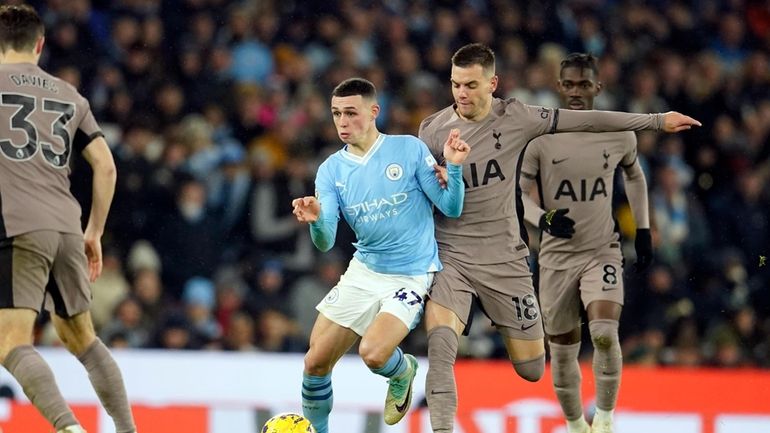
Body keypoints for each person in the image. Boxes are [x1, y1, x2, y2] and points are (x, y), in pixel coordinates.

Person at [418, 43, 699, 433]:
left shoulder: (517, 118)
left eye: (470, 85)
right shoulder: (431, 130)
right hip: (452, 257)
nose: (460, 94)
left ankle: (501, 323)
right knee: (441, 347)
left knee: (533, 367)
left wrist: (655, 121)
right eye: (454, 84)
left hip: (505, 260)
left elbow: (585, 121)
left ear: (492, 84)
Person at [291, 77, 469, 433]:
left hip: (410, 274)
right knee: (315, 362)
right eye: (336, 114)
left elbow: (450, 207)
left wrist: (454, 167)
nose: (342, 122)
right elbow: (325, 242)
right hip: (364, 270)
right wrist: (315, 221)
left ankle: (403, 370)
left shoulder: (408, 149)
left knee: (373, 354)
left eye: (351, 113)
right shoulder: (331, 171)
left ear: (374, 111)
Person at [0, 5, 135, 433]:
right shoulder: (70, 95)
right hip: (66, 225)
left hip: (16, 225)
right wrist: (93, 231)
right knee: (83, 339)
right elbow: (107, 167)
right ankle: (128, 430)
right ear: (39, 44)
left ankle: (68, 428)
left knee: (10, 343)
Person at [519, 53, 653, 433]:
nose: (576, 92)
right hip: (556, 258)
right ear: (559, 87)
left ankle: (606, 418)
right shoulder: (541, 137)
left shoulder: (619, 132)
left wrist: (642, 231)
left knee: (604, 333)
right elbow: (517, 194)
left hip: (601, 251)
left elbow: (636, 178)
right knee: (562, 352)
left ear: (598, 87)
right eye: (569, 85)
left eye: (584, 85)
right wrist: (541, 219)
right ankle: (577, 425)